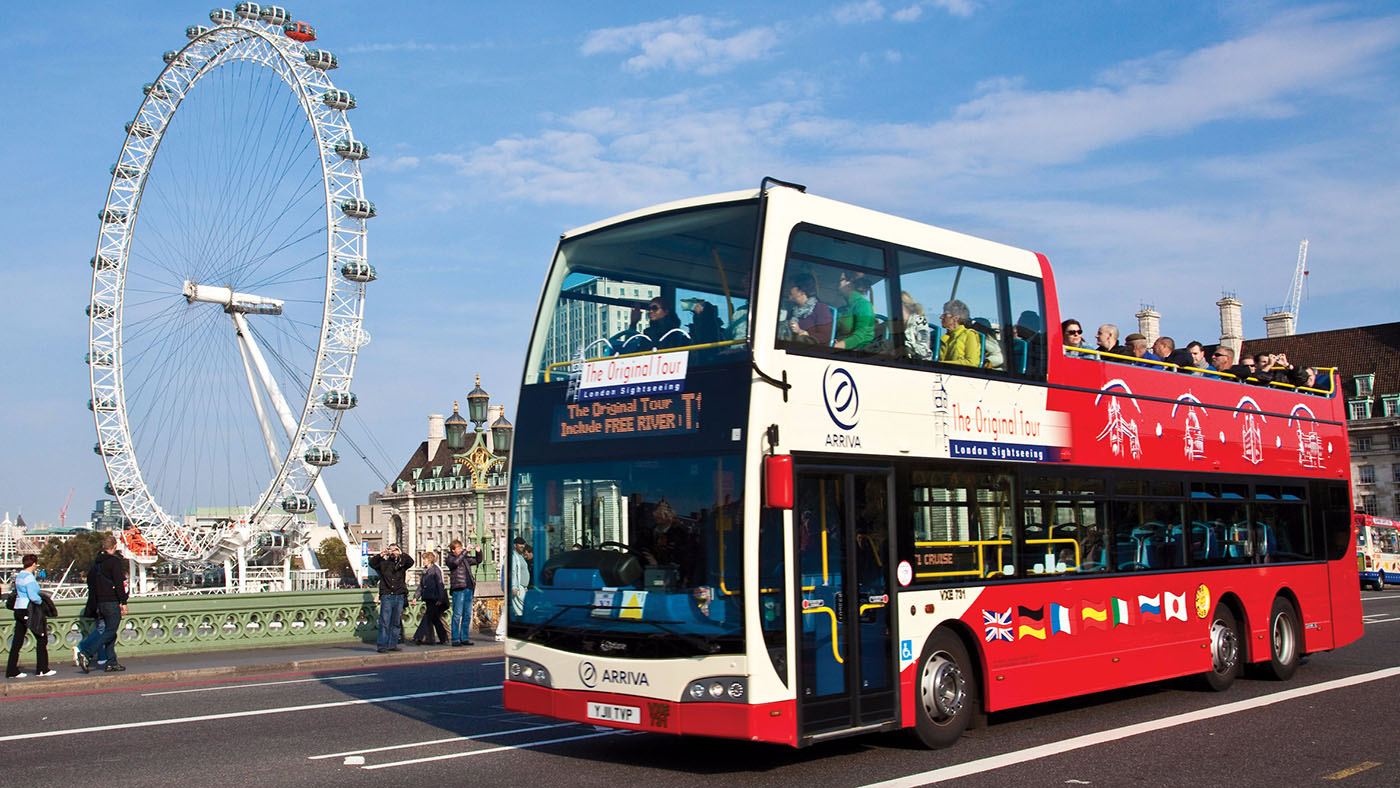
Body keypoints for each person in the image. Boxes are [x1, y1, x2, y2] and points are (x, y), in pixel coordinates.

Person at [76, 535, 128, 673]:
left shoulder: (96, 564)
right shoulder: (114, 562)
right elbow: (118, 583)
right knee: (110, 631)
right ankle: (86, 652)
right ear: (115, 546)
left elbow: (90, 584)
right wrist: (123, 602)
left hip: (100, 603)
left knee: (109, 632)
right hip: (112, 602)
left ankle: (111, 662)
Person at [6, 554, 54, 679]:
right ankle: (42, 669)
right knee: (41, 638)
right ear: (33, 564)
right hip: (29, 610)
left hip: (19, 609)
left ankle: (11, 670)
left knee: (17, 641)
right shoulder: (30, 578)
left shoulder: (19, 576)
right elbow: (33, 597)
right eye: (36, 564)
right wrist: (41, 601)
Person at [368, 544, 413, 653]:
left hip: (399, 595)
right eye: (391, 550)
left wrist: (401, 554)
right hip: (387, 595)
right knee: (385, 621)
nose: (393, 552)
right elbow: (372, 563)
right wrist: (381, 554)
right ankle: (382, 645)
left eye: (395, 550)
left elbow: (411, 562)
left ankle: (392, 644)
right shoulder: (383, 563)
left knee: (396, 622)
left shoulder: (401, 563)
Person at [444, 539, 482, 647]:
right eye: (459, 548)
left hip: (468, 588)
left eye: (461, 548)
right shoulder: (450, 559)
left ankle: (464, 638)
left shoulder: (464, 558)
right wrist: (465, 551)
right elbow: (456, 563)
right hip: (458, 589)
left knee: (467, 615)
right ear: (453, 550)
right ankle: (455, 639)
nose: (461, 550)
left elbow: (477, 561)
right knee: (457, 615)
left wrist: (479, 552)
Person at [411, 551, 449, 646]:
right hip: (428, 597)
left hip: (435, 598)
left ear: (430, 560)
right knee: (435, 619)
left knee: (427, 617)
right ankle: (443, 638)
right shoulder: (425, 571)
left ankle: (418, 637)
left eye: (425, 559)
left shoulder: (435, 570)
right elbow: (421, 586)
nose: (423, 561)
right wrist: (416, 596)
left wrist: (440, 599)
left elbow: (440, 585)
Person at [785, 274, 833, 345]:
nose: (788, 288)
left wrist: (801, 332)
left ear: (802, 291)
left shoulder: (821, 308)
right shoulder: (792, 310)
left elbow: (825, 336)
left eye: (792, 286)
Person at [832, 271, 875, 351]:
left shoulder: (864, 305)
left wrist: (837, 347)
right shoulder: (841, 310)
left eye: (841, 280)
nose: (837, 284)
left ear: (850, 284)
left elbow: (859, 337)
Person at [938, 299, 980, 365]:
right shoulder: (944, 338)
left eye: (945, 314)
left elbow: (971, 363)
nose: (941, 317)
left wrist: (938, 364)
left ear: (956, 318)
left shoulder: (969, 335)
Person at [900, 291, 932, 360]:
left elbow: (923, 350)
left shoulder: (920, 322)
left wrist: (905, 346)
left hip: (918, 363)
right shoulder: (893, 324)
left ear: (904, 306)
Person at [508, 537, 530, 618]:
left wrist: (525, 587)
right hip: (518, 587)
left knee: (523, 610)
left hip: (523, 587)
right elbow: (513, 572)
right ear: (514, 545)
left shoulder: (520, 556)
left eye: (523, 544)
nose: (522, 546)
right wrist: (514, 587)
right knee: (522, 611)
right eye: (520, 544)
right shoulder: (513, 556)